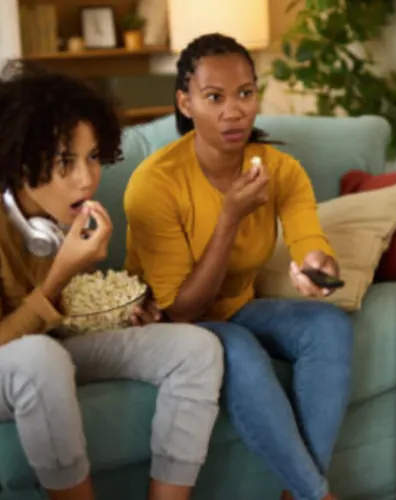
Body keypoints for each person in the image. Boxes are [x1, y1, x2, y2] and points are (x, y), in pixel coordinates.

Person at [0, 62, 223, 500]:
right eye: (65, 161)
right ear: (22, 162)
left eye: (93, 157)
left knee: (196, 348)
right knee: (40, 357)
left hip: (45, 347)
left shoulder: (55, 214)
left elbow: (62, 316)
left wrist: (127, 313)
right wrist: (62, 271)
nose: (87, 178)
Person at [123, 33, 354, 500]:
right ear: (185, 103)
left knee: (328, 324)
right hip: (168, 324)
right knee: (241, 350)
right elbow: (182, 310)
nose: (234, 111)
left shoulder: (279, 170)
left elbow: (309, 241)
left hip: (237, 307)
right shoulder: (155, 184)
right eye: (214, 97)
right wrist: (229, 218)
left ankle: (297, 494)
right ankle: (317, 495)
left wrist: (316, 265)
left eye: (245, 93)